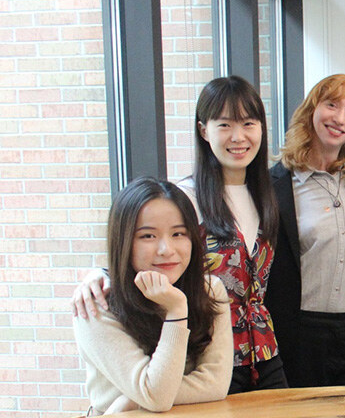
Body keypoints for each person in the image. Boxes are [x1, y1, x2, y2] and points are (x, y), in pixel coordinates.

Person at [72, 76, 286, 393]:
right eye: (224, 125)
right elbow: (141, 248)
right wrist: (98, 274)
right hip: (205, 354)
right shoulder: (186, 197)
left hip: (265, 350)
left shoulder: (267, 196)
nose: (238, 137)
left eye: (248, 124)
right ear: (204, 130)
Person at [73, 177, 231, 414]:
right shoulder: (96, 304)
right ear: (123, 240)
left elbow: (215, 384)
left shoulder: (210, 291)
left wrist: (133, 399)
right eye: (148, 236)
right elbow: (157, 396)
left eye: (178, 234)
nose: (166, 249)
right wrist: (177, 310)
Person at [270, 74, 345, 387]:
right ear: (312, 109)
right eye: (332, 105)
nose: (340, 119)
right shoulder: (276, 186)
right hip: (302, 334)